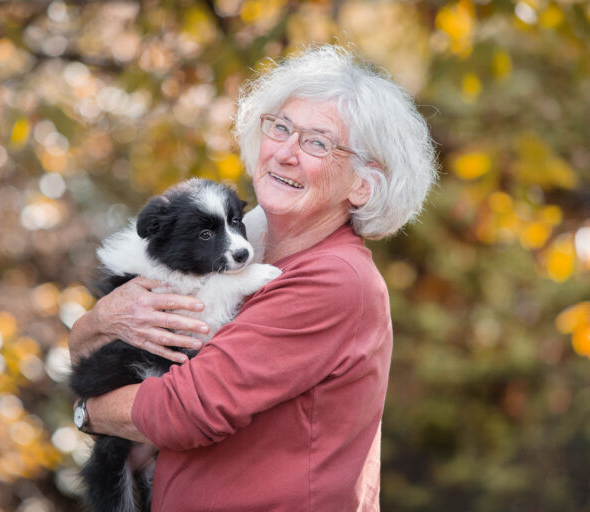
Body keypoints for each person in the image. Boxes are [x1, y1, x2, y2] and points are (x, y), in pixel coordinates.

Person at [68, 44, 437, 511]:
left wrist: (90, 412)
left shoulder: (336, 280)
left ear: (363, 185)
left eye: (317, 142)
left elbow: (186, 410)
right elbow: (90, 349)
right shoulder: (243, 239)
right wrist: (99, 322)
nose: (285, 153)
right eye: (280, 127)